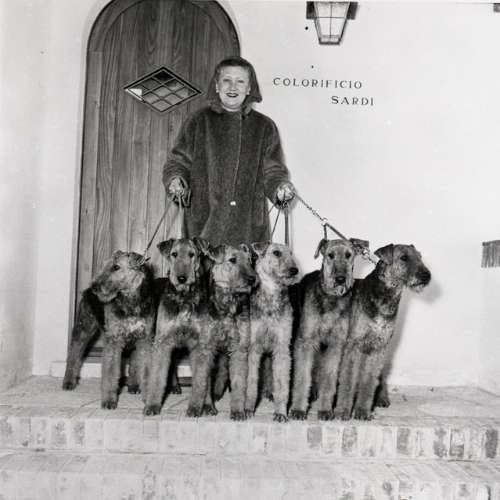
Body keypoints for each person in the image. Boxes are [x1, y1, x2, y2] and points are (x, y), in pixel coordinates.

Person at [163, 56, 295, 247]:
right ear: (217, 86)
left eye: (240, 81)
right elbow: (178, 162)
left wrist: (280, 187)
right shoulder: (198, 121)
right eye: (227, 80)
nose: (233, 87)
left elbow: (273, 171)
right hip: (204, 225)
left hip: (249, 228)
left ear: (249, 88)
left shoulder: (264, 126)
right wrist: (176, 180)